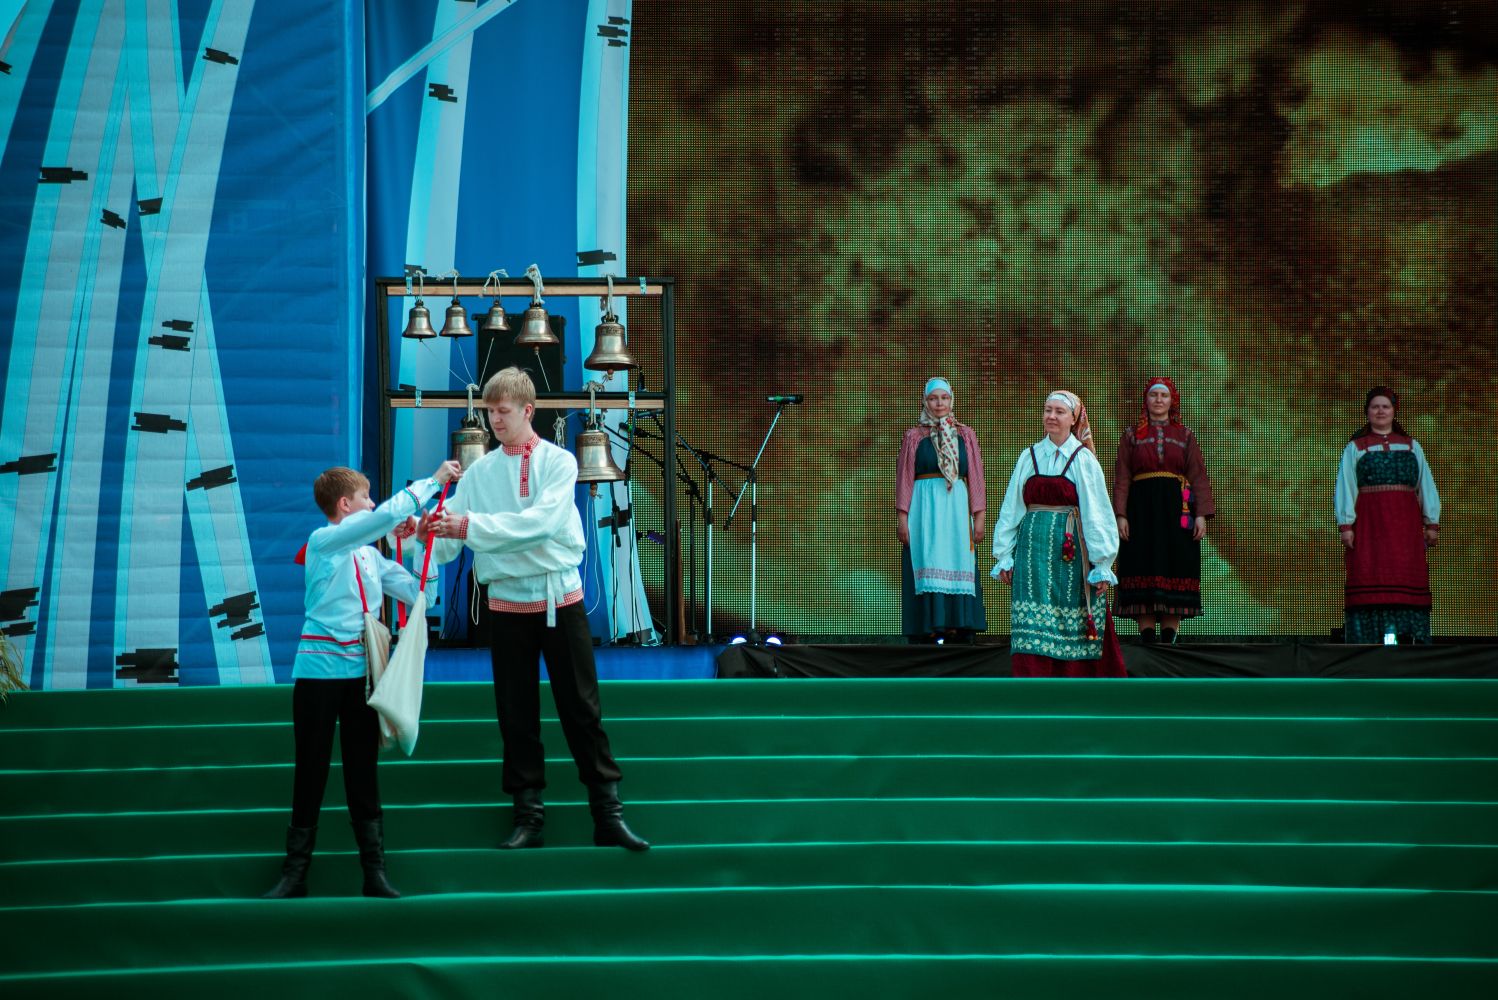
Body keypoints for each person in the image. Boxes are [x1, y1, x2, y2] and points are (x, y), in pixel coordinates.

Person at [422, 367, 648, 851]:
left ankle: (607, 814)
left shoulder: (560, 462)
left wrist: (467, 528)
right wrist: (424, 533)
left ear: (528, 410)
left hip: (558, 599)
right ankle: (529, 817)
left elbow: (541, 524)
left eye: (503, 411)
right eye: (490, 412)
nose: (495, 420)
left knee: (581, 708)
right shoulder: (479, 473)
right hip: (506, 604)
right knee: (515, 712)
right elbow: (446, 544)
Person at [263, 458, 462, 899]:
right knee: (310, 769)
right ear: (344, 505)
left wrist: (422, 544)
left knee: (362, 771)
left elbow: (422, 595)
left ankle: (375, 873)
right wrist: (434, 482)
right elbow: (385, 517)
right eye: (365, 497)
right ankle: (295, 874)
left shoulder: (371, 557)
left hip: (361, 678)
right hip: (317, 676)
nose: (372, 503)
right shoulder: (323, 541)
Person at [991, 390, 1125, 677]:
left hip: (1070, 555)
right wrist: (1004, 555)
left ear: (1074, 419)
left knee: (1071, 615)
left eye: (1059, 411)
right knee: (1033, 614)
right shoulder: (1029, 456)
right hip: (1032, 554)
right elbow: (1011, 508)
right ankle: (1032, 684)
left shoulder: (1083, 459)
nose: (1051, 416)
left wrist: (1101, 563)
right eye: (1047, 410)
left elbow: (1097, 513)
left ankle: (1074, 683)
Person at [1112, 377, 1216, 644]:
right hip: (1140, 513)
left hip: (1178, 512)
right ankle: (1147, 640)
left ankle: (1169, 641)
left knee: (1176, 565)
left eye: (1164, 395)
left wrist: (1201, 515)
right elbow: (1122, 477)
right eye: (1153, 395)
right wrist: (1121, 515)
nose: (1158, 400)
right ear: (1146, 400)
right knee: (1141, 564)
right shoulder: (1131, 436)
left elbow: (1198, 475)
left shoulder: (1185, 436)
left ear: (1172, 401)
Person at [1335, 386, 1441, 643]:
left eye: (1385, 406)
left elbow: (1425, 484)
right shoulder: (1356, 447)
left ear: (1394, 411)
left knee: (1406, 578)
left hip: (1405, 528)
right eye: (1375, 407)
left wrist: (1431, 523)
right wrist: (1346, 525)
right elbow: (1346, 486)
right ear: (1367, 412)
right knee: (1369, 574)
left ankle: (1410, 642)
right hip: (1370, 526)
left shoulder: (1411, 447)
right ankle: (1364, 645)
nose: (1380, 411)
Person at [896, 377, 987, 643]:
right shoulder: (914, 436)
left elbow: (976, 477)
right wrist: (903, 518)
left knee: (957, 558)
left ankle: (957, 624)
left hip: (956, 509)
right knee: (928, 559)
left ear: (951, 400)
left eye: (944, 398)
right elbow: (905, 479)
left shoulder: (965, 435)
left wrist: (979, 517)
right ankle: (930, 625)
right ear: (925, 401)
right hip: (924, 509)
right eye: (934, 398)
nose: (939, 403)